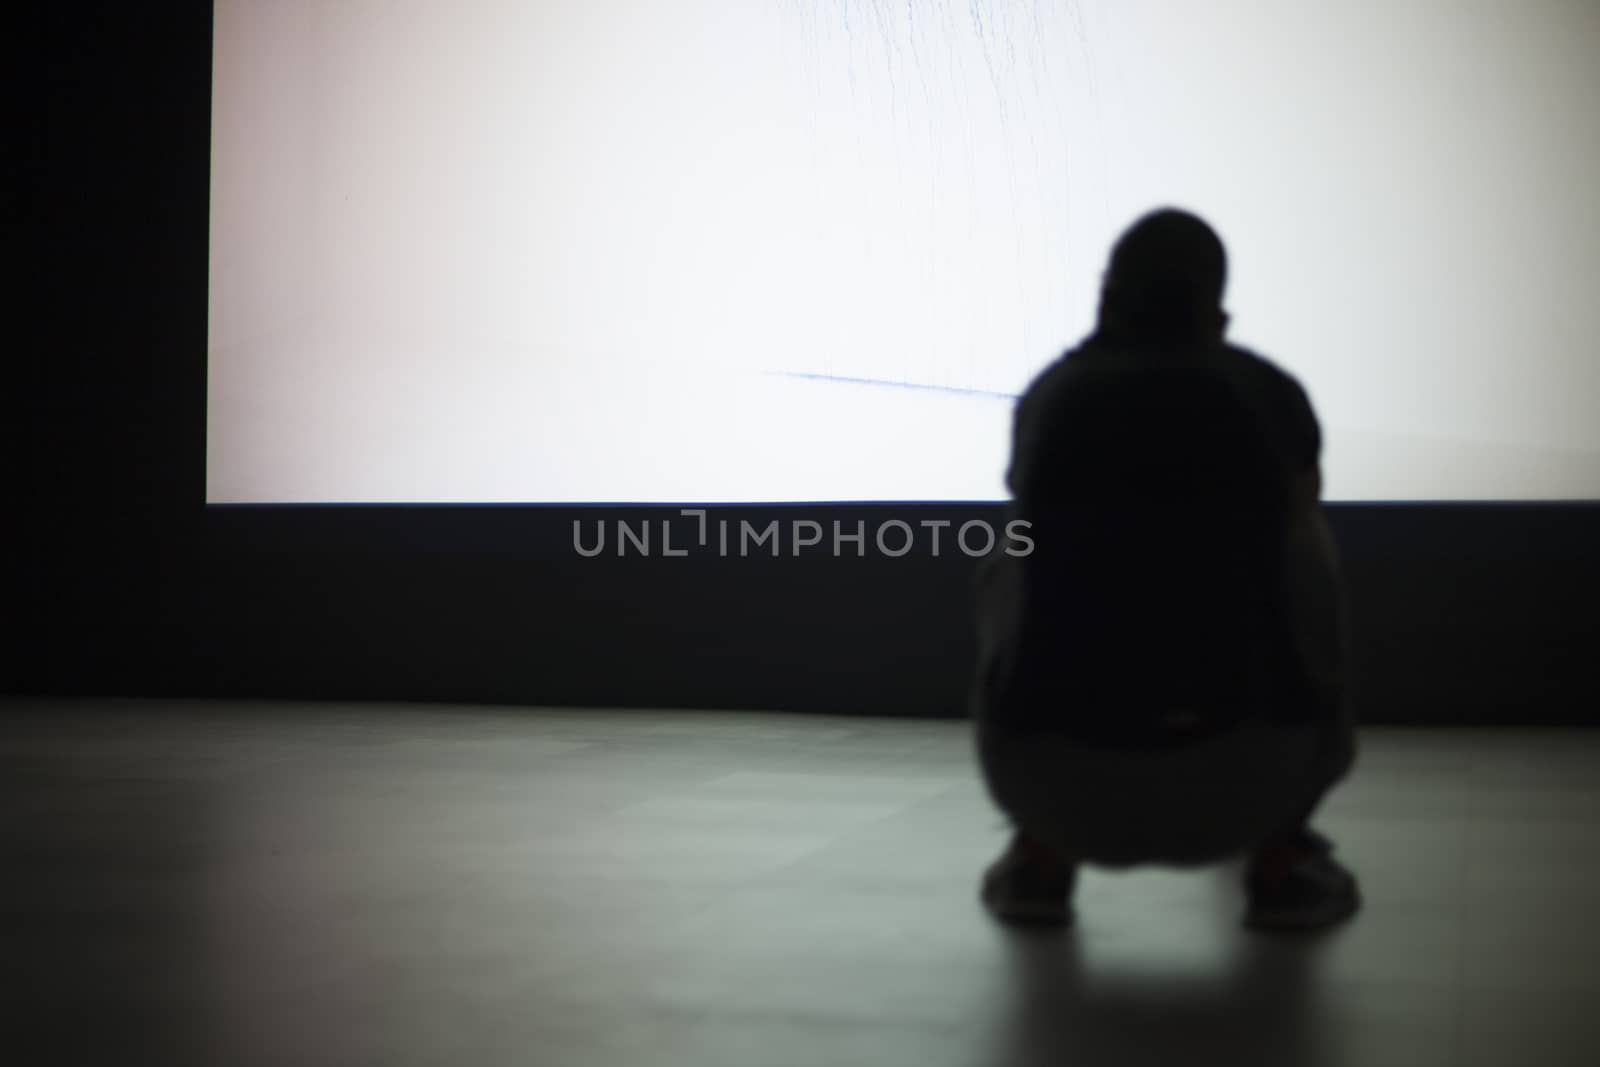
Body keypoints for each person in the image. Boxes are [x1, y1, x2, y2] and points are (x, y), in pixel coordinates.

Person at [971, 208, 1360, 931]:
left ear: (1106, 292)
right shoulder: (1267, 395)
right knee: (1305, 540)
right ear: (1216, 304)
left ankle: (1040, 859)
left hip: (1052, 786)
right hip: (1254, 782)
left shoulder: (1052, 397)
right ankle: (1280, 863)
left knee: (1016, 545)